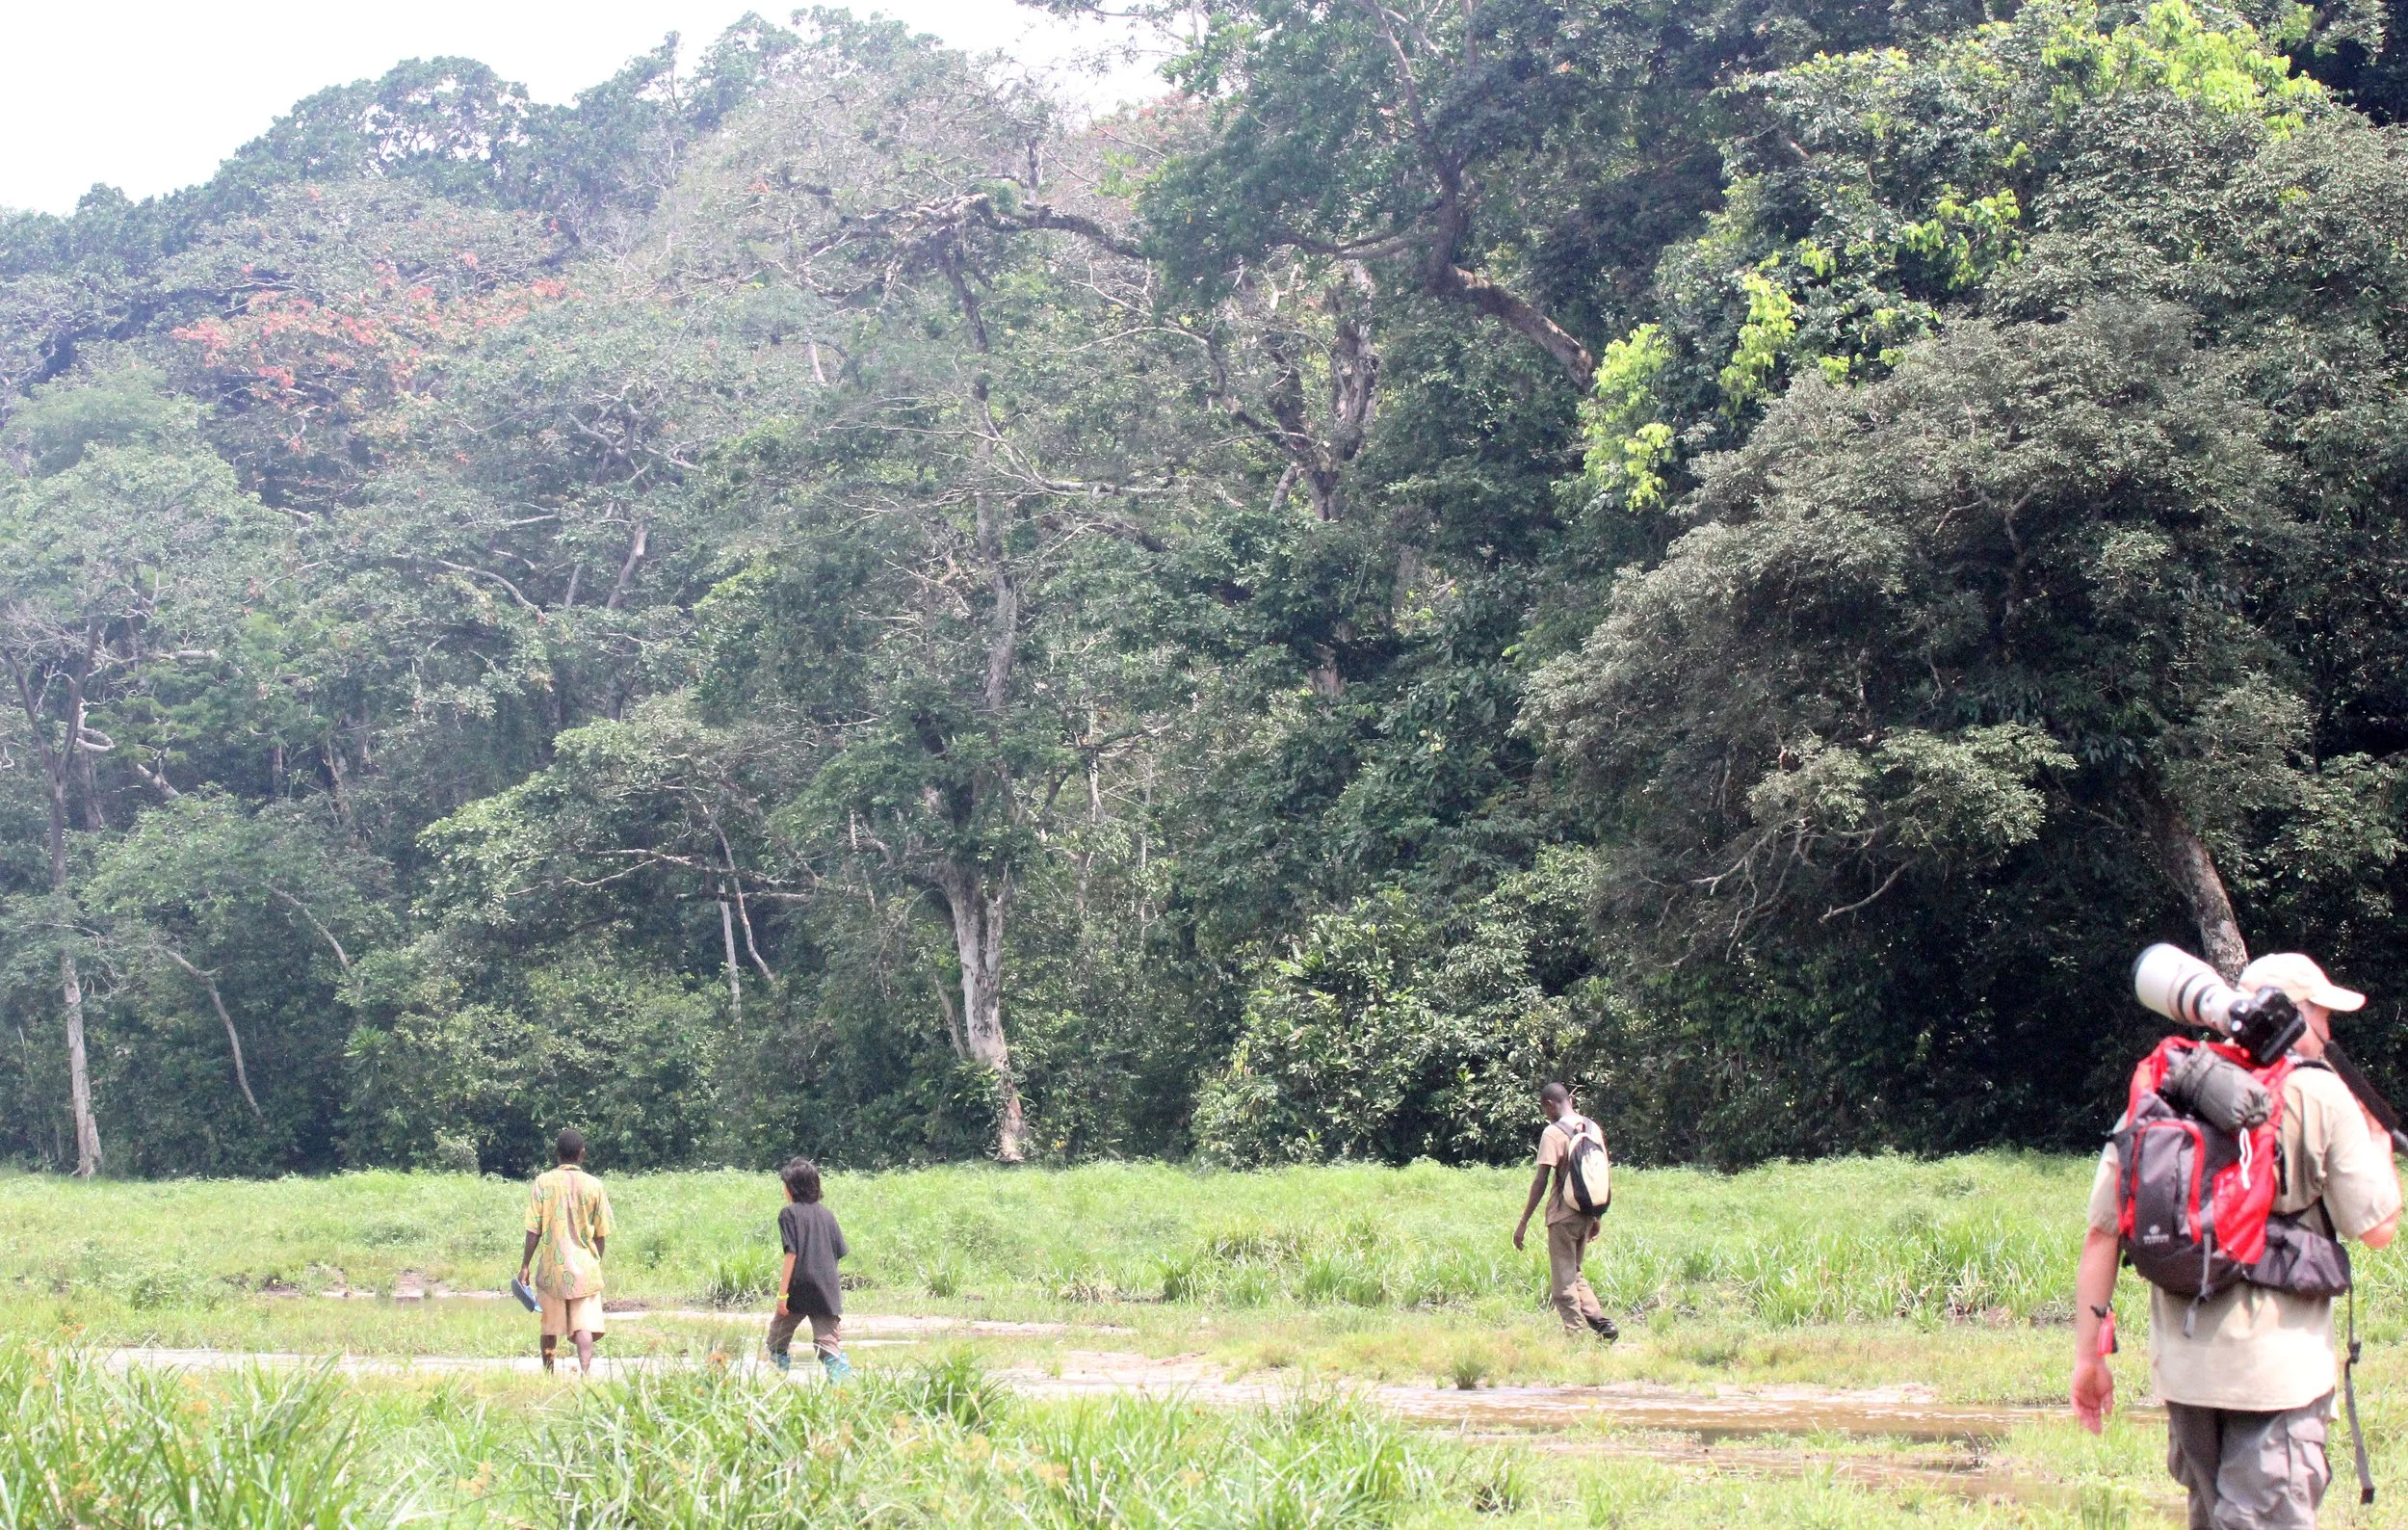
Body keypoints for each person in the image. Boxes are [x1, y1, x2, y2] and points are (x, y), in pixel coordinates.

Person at [2073, 953, 2401, 1529]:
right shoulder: (2320, 1094)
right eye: (2322, 1015)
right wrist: (2375, 1144)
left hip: (2186, 1373)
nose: (2327, 1031)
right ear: (2297, 1017)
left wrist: (2087, 1361)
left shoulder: (2170, 1084)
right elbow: (2377, 1229)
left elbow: (2103, 1233)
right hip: (2280, 1376)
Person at [1512, 1081, 1618, 1342]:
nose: (1546, 1115)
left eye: (1544, 1109)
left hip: (1562, 1215)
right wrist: (1596, 1216)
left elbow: (1541, 1180)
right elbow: (1600, 1172)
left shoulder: (1553, 1132)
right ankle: (1602, 1323)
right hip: (1586, 1211)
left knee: (1562, 1282)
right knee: (1574, 1270)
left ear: (1550, 1104)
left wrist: (1523, 1222)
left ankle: (1575, 1337)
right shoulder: (1592, 1128)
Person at [518, 1127, 615, 1377]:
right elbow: (601, 1234)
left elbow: (533, 1230)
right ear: (582, 1154)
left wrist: (526, 1265)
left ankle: (548, 1376)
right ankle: (585, 1375)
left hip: (553, 1268)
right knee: (584, 1326)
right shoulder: (595, 1185)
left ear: (556, 1154)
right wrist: (595, 1263)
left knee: (549, 1326)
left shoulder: (543, 1182)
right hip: (585, 1269)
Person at [767, 1155, 851, 1382]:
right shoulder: (828, 1215)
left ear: (792, 1187)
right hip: (826, 1289)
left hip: (798, 1287)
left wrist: (782, 1294)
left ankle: (776, 1387)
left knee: (776, 1341)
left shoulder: (789, 1213)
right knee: (829, 1345)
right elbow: (838, 1253)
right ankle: (846, 1391)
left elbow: (791, 1253)